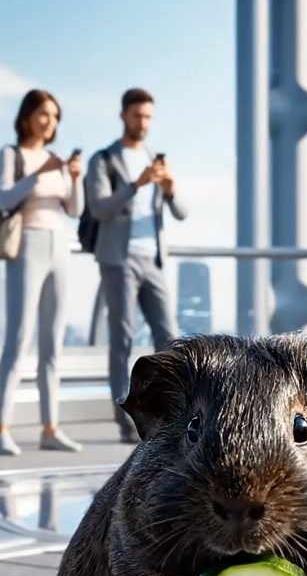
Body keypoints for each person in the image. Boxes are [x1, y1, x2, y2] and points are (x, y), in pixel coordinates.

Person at [86, 89, 187, 443]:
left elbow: (182, 213)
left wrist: (170, 189)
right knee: (122, 338)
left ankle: (171, 411)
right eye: (136, 116)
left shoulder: (152, 159)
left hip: (153, 259)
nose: (142, 123)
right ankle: (124, 418)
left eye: (147, 117)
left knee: (169, 337)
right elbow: (99, 208)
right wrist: (136, 185)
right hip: (119, 258)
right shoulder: (104, 160)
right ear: (123, 115)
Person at [0, 89, 83, 456]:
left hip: (59, 246)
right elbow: (4, 198)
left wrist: (75, 178)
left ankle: (50, 428)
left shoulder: (57, 161)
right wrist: (38, 174)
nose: (50, 122)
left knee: (53, 343)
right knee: (18, 340)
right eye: (44, 114)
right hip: (28, 244)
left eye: (55, 116)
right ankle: (2, 425)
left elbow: (75, 210)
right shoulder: (13, 154)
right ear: (28, 116)